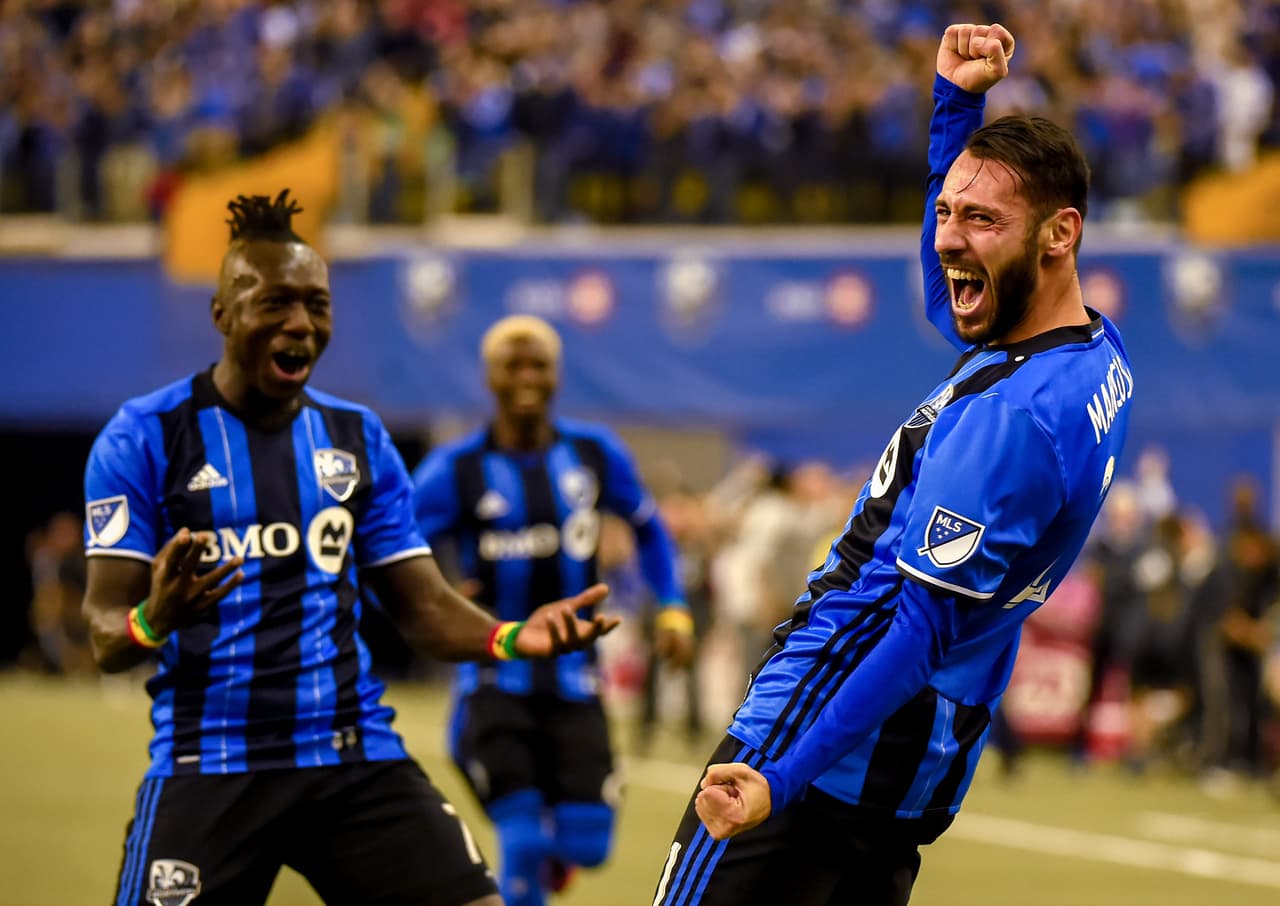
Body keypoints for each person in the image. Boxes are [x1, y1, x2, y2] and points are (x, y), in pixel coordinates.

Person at [652, 23, 1133, 906]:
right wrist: (957, 108)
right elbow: (949, 284)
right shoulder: (1094, 357)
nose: (948, 239)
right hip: (910, 774)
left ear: (1060, 235)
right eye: (947, 212)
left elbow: (915, 629)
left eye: (980, 219)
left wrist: (780, 775)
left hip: (820, 741)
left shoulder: (1011, 418)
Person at [81, 190, 618, 906]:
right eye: (274, 303)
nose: (300, 323)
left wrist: (514, 636)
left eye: (316, 304)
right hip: (209, 763)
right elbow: (103, 632)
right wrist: (154, 617)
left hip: (350, 756)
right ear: (223, 314)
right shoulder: (143, 437)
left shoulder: (356, 438)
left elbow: (422, 605)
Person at [411, 314, 693, 906]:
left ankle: (554, 861)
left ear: (556, 374)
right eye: (512, 364)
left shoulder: (593, 455)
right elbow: (394, 549)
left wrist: (671, 606)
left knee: (588, 845)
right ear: (489, 377)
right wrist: (439, 591)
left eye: (537, 363)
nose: (526, 376)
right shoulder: (454, 471)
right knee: (522, 837)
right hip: (493, 681)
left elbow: (648, 527)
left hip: (575, 680)